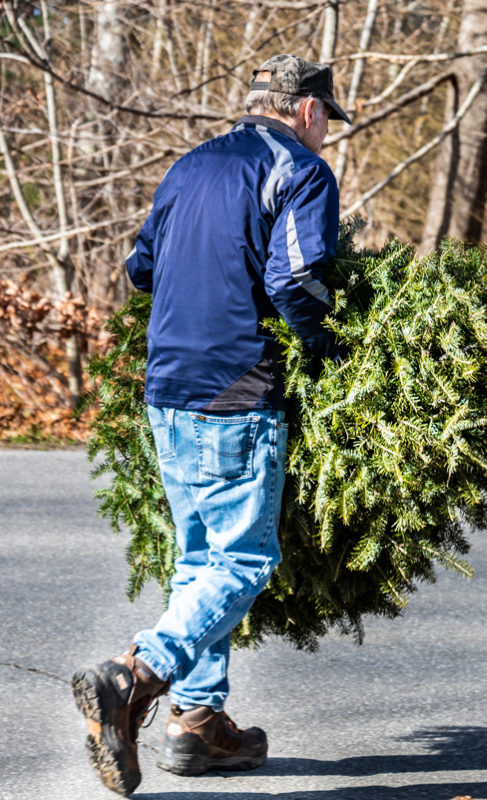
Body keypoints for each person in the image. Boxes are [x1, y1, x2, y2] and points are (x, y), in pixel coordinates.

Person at [72, 54, 351, 797]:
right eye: (328, 121)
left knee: (200, 557)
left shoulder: (189, 167)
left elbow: (141, 269)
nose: (327, 135)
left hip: (168, 390)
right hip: (238, 390)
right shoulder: (298, 170)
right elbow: (297, 279)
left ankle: (196, 723)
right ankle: (134, 674)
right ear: (307, 111)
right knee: (243, 562)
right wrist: (328, 348)